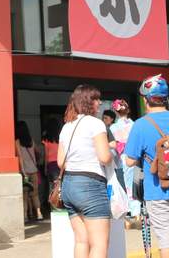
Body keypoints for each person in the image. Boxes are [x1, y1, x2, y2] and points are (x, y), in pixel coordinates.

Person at [124, 75, 169, 258]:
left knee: (166, 240)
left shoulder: (140, 125)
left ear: (145, 99)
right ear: (166, 98)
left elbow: (129, 161)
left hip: (156, 190)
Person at [57, 83, 113, 258]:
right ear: (87, 102)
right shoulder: (95, 124)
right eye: (96, 99)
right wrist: (111, 150)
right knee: (99, 244)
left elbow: (61, 162)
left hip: (69, 185)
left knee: (81, 241)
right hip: (91, 185)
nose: (99, 102)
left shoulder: (67, 126)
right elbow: (104, 158)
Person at [109, 99, 138, 220]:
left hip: (121, 159)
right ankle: (137, 210)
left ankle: (130, 211)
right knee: (135, 184)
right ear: (128, 110)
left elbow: (113, 146)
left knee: (125, 185)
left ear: (115, 112)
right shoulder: (135, 125)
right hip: (135, 158)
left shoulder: (113, 128)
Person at [16, 120, 43, 223]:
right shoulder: (31, 140)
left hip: (25, 171)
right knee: (35, 194)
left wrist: (23, 171)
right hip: (34, 170)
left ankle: (25, 216)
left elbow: (20, 157)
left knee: (24, 195)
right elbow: (37, 152)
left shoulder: (17, 142)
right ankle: (39, 214)